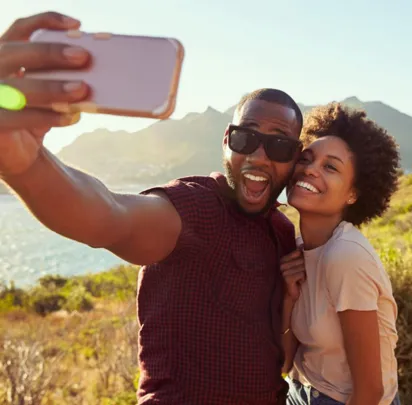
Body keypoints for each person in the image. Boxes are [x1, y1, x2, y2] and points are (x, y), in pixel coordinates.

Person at [0, 12, 306, 405]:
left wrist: (289, 299)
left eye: (279, 147)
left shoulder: (281, 233)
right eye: (247, 140)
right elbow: (111, 217)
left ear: (295, 158)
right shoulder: (195, 207)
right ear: (227, 141)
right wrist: (26, 166)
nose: (260, 157)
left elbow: (280, 362)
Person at [279, 103, 401, 405]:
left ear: (353, 193)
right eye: (306, 159)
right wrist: (288, 298)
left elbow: (370, 391)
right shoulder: (297, 249)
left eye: (330, 167)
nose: (310, 169)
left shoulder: (346, 256)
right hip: (299, 393)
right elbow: (283, 365)